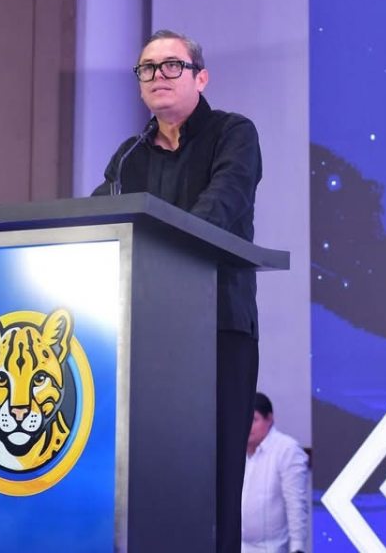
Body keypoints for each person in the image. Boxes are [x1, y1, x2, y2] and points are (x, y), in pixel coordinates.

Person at [92, 29, 262, 552]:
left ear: (200, 77)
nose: (157, 76)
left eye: (171, 66)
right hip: (147, 338)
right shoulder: (129, 156)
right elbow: (95, 221)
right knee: (150, 475)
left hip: (218, 328)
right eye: (147, 68)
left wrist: (160, 251)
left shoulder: (233, 133)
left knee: (213, 477)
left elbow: (221, 205)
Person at [242, 393, 309, 553]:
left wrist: (297, 546)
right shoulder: (234, 449)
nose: (247, 426)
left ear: (269, 419)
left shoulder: (286, 449)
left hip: (270, 548)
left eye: (254, 420)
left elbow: (295, 503)